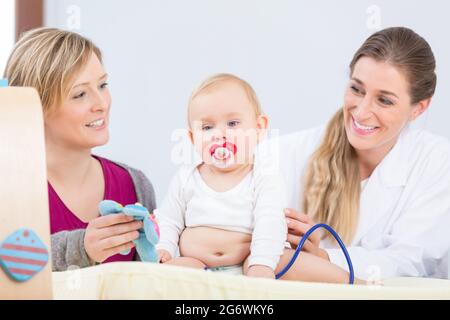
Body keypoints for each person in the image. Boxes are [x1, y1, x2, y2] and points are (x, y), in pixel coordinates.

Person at [263, 26, 450, 282]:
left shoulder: (438, 163)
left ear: (419, 108)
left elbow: (411, 261)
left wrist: (324, 258)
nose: (361, 112)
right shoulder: (285, 153)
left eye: (384, 100)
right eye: (357, 89)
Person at [4, 27, 156, 271]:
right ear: (36, 106)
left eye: (103, 85)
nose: (101, 103)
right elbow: (8, 275)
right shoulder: (10, 191)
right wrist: (79, 248)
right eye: (80, 94)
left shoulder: (135, 184)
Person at [155, 74, 287, 279]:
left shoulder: (262, 176)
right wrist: (164, 247)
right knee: (168, 272)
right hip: (196, 265)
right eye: (207, 128)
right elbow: (169, 220)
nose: (219, 134)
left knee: (287, 262)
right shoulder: (186, 177)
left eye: (233, 123)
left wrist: (261, 263)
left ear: (258, 128)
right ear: (192, 138)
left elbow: (269, 221)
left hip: (248, 264)